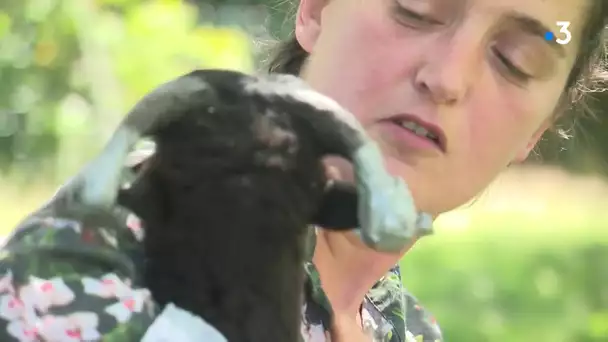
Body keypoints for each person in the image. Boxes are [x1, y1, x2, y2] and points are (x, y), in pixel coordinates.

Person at [0, 0, 605, 341]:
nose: (447, 77)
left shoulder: (409, 330)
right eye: (416, 7)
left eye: (516, 60)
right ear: (315, 9)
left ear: (536, 132)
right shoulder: (113, 253)